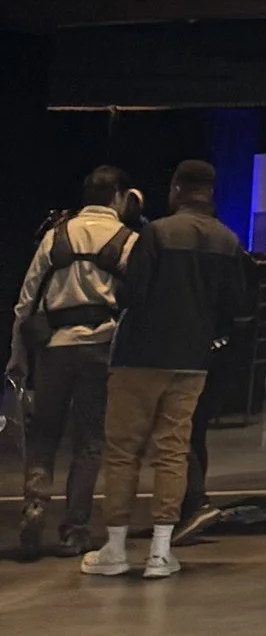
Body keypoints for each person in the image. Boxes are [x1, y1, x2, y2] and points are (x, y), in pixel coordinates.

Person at [82, 163, 247, 583]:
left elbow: (131, 292)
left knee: (122, 450)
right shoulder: (228, 241)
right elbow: (235, 307)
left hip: (139, 356)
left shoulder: (156, 232)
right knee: (173, 451)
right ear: (210, 192)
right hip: (191, 362)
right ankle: (160, 552)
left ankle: (116, 548)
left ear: (176, 188)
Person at [9, 167, 135, 559]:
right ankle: (75, 530)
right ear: (117, 197)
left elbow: (26, 301)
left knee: (44, 435)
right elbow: (141, 300)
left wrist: (18, 358)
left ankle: (35, 504)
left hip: (54, 350)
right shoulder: (127, 240)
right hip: (101, 349)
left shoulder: (55, 237)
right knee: (89, 442)